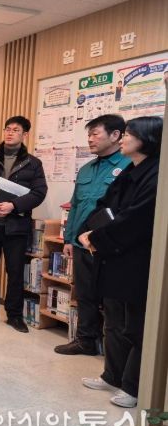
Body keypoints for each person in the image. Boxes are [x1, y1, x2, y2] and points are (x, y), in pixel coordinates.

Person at [79, 116, 162, 408]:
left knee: (136, 326)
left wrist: (97, 238)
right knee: (113, 321)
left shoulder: (157, 174)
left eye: (129, 134)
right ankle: (112, 375)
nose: (123, 138)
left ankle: (133, 386)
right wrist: (87, 232)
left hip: (136, 260)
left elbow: (135, 219)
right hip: (112, 257)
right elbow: (105, 205)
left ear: (147, 139)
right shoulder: (129, 170)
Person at [54, 115, 130, 355]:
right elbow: (76, 205)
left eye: (95, 134)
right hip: (81, 244)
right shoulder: (87, 168)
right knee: (85, 294)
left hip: (110, 246)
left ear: (115, 135)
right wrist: (69, 239)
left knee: (111, 299)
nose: (90, 139)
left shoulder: (129, 166)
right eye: (89, 134)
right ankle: (86, 341)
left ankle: (114, 351)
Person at [0, 116, 47, 333]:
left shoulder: (34, 163)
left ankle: (14, 315)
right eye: (7, 129)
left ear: (25, 135)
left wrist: (14, 205)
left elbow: (39, 192)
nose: (10, 133)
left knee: (15, 272)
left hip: (16, 226)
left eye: (15, 130)